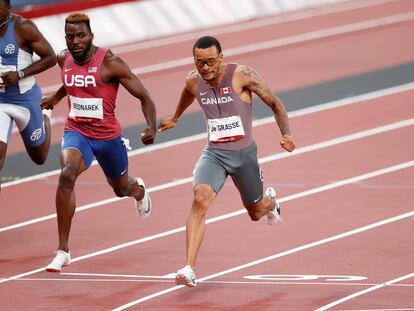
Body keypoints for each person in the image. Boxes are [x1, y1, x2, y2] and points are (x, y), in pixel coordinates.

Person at [159, 35, 295, 287]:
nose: (205, 68)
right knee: (200, 199)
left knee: (255, 212)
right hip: (214, 154)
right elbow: (188, 92)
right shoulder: (193, 80)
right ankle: (189, 268)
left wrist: (286, 134)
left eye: (210, 61)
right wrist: (176, 117)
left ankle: (271, 203)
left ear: (221, 58)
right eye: (200, 62)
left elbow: (275, 103)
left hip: (244, 156)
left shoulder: (242, 75)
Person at [41, 13, 157, 272]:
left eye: (81, 35)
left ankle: (138, 190)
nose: (75, 41)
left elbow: (144, 96)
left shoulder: (111, 63)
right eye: (70, 36)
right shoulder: (64, 58)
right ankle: (63, 250)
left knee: (120, 189)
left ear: (91, 36)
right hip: (77, 132)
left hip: (107, 138)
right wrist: (57, 97)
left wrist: (151, 126)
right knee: (66, 175)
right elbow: (71, 82)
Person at [0, 0, 56, 189]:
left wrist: (20, 74)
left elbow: (51, 58)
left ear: (8, 8)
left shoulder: (23, 27)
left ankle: (46, 116)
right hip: (0, 103)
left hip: (26, 101)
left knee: (39, 157)